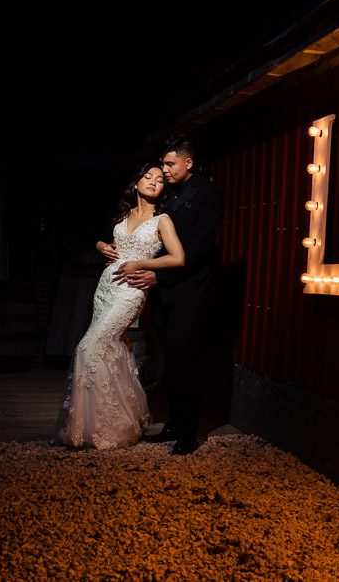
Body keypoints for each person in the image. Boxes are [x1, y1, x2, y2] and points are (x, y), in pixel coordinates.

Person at [53, 163, 185, 449]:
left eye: (160, 179)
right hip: (105, 288)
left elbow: (178, 258)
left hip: (131, 291)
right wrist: (102, 245)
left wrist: (141, 263)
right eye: (147, 177)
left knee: (89, 347)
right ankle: (103, 425)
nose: (152, 182)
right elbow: (109, 241)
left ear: (164, 188)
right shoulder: (124, 215)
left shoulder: (162, 219)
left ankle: (108, 427)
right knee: (115, 349)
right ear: (136, 183)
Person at [123, 137, 223, 455]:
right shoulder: (169, 194)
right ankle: (174, 424)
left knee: (184, 359)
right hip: (162, 291)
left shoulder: (208, 194)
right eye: (163, 165)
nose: (164, 170)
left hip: (189, 291)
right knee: (170, 358)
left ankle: (188, 433)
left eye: (169, 164)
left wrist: (159, 274)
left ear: (187, 162)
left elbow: (199, 247)